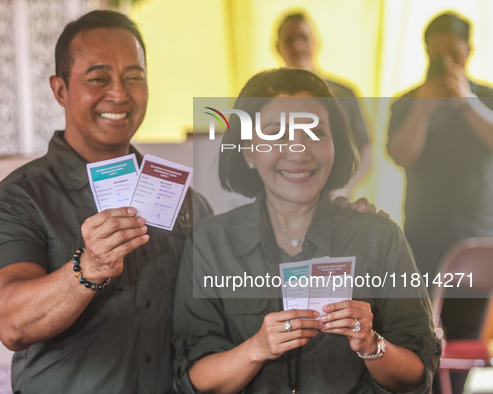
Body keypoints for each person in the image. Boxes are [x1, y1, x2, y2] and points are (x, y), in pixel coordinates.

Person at [0, 10, 211, 393]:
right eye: (98, 79)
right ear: (60, 90)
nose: (119, 93)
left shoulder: (181, 199)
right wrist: (89, 268)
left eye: (134, 77)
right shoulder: (17, 202)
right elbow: (11, 323)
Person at [173, 68, 440, 393]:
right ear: (248, 150)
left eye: (315, 133)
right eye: (276, 133)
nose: (298, 150)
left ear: (336, 146)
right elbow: (192, 378)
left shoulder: (379, 238)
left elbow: (418, 375)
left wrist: (372, 346)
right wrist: (257, 348)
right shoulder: (210, 242)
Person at [387, 11, 493, 337]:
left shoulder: (485, 97)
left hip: (477, 240)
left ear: (469, 51)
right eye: (438, 55)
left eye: (454, 55)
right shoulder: (407, 101)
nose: (446, 62)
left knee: (465, 337)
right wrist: (424, 107)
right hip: (421, 237)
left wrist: (466, 101)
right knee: (417, 335)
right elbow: (400, 155)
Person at [275, 11, 372, 199]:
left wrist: (344, 187)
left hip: (333, 206)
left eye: (303, 37)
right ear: (277, 47)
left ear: (316, 42)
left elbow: (366, 151)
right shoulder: (260, 98)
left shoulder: (344, 94)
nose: (297, 46)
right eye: (289, 40)